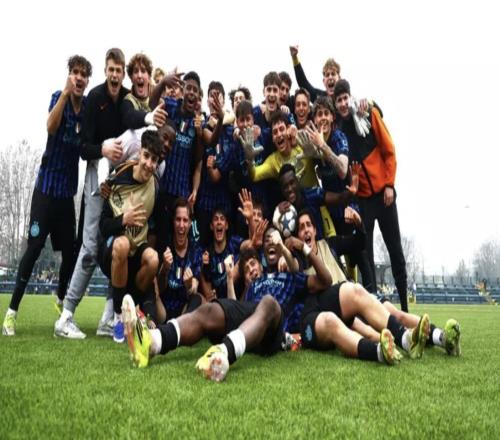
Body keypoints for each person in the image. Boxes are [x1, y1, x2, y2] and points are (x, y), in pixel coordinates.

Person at [2, 55, 92, 336]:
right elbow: (50, 127)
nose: (79, 78)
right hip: (45, 191)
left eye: (83, 74)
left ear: (88, 80)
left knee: (71, 250)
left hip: (66, 195)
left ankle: (60, 298)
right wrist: (64, 94)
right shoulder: (58, 97)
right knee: (34, 248)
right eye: (75, 72)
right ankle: (11, 314)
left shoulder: (87, 110)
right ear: (69, 75)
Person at [54, 48, 129, 340]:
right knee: (89, 246)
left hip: (121, 181)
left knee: (117, 247)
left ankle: (108, 318)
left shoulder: (127, 100)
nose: (114, 75)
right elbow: (83, 148)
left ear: (123, 73)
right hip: (97, 178)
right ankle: (66, 316)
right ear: (106, 71)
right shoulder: (95, 98)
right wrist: (103, 149)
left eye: (118, 70)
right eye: (111, 69)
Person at [334, 79, 409, 312]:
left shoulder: (368, 113)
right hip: (363, 201)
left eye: (345, 98)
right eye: (338, 100)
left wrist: (389, 185)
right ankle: (376, 312)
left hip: (384, 197)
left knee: (395, 251)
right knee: (366, 257)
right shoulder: (339, 131)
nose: (343, 104)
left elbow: (389, 150)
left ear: (350, 97)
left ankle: (405, 308)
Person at [92, 130, 162, 342]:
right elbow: (103, 226)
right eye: (146, 156)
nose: (149, 164)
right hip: (113, 251)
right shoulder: (118, 178)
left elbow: (158, 226)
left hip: (136, 250)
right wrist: (124, 219)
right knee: (122, 244)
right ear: (139, 153)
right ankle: (118, 318)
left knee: (153, 259)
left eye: (154, 159)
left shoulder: (155, 186)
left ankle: (133, 307)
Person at [155, 198, 204, 324]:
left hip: (183, 315)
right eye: (178, 219)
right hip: (162, 311)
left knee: (197, 298)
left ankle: (176, 328)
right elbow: (158, 289)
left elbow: (194, 289)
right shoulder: (164, 246)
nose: (181, 225)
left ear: (190, 223)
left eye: (185, 220)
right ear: (173, 221)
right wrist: (164, 269)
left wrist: (189, 286)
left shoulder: (196, 251)